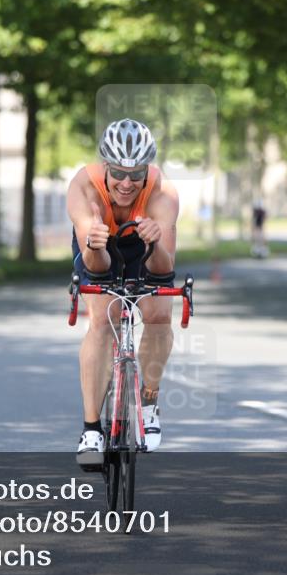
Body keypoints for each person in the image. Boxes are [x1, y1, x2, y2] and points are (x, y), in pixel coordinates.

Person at [66, 119, 179, 465]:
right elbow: (96, 268)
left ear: (148, 170)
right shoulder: (83, 187)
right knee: (103, 319)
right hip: (97, 247)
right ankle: (91, 430)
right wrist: (95, 242)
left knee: (159, 315)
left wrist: (156, 239)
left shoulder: (163, 194)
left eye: (136, 173)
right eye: (118, 172)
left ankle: (147, 401)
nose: (127, 183)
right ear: (105, 167)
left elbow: (163, 270)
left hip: (146, 246)